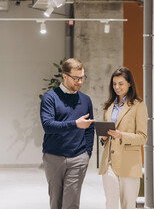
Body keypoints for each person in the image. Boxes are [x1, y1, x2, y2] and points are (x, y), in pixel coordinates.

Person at [40, 58, 95, 209]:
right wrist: (75, 124)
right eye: (76, 78)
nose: (80, 82)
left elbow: (90, 128)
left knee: (71, 204)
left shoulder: (85, 100)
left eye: (82, 77)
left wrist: (87, 153)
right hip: (53, 157)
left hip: (78, 157)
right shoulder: (50, 98)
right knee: (55, 202)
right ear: (65, 76)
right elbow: (48, 125)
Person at [99, 67, 148, 209]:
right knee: (111, 204)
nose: (117, 87)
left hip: (129, 163)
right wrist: (103, 138)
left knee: (128, 205)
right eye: (114, 84)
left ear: (129, 84)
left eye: (121, 83)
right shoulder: (109, 106)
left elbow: (142, 137)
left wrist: (121, 135)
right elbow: (107, 137)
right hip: (109, 162)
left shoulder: (138, 105)